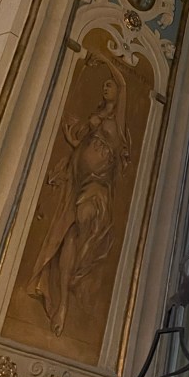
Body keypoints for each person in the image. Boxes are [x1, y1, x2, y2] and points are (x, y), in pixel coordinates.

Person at [28, 55, 131, 337]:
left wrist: (106, 59)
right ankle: (62, 303)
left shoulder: (118, 119)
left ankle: (73, 283)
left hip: (98, 187)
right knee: (68, 236)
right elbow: (85, 148)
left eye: (109, 85)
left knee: (82, 225)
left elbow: (123, 84)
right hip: (78, 181)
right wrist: (74, 142)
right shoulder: (96, 116)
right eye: (104, 85)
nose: (106, 88)